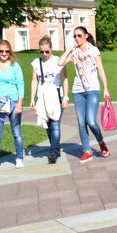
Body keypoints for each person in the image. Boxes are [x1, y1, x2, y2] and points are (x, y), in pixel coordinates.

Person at [56, 25, 109, 162]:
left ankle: (101, 142)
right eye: (74, 36)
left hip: (92, 89)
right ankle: (87, 150)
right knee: (81, 122)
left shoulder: (94, 51)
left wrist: (106, 89)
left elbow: (101, 70)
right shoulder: (74, 53)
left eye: (79, 35)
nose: (77, 38)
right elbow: (60, 62)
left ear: (86, 36)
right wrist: (69, 48)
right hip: (78, 90)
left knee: (91, 121)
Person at [0, 39, 24, 174]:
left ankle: (19, 158)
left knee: (16, 132)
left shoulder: (15, 66)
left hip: (12, 100)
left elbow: (21, 84)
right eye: (1, 51)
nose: (4, 53)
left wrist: (19, 103)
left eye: (7, 51)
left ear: (10, 52)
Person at [28, 35, 68, 164]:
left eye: (47, 51)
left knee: (55, 124)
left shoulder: (58, 61)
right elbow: (34, 81)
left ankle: (53, 152)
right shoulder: (36, 63)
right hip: (43, 96)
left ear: (51, 49)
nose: (44, 54)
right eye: (42, 51)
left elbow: (65, 79)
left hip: (56, 95)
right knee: (48, 126)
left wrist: (65, 97)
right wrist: (32, 98)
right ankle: (55, 148)